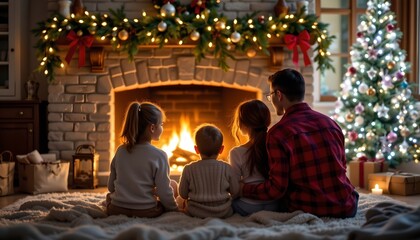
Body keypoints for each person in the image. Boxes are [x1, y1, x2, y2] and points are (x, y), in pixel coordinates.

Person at [242, 68, 359, 218]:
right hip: (346, 206)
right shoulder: (332, 124)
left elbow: (276, 189)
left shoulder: (277, 134)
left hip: (309, 208)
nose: (270, 99)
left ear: (279, 95)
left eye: (270, 95)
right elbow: (341, 169)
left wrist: (242, 189)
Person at [106, 101, 178, 218]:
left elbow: (110, 187)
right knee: (173, 185)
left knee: (109, 197)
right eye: (162, 124)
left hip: (116, 210)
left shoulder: (120, 151)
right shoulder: (160, 155)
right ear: (153, 128)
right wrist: (175, 210)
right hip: (146, 211)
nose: (162, 127)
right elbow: (164, 192)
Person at [228, 99, 281, 216]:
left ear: (243, 124)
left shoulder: (236, 152)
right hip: (275, 205)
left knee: (229, 203)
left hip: (248, 206)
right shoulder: (275, 146)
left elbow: (234, 188)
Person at [177, 123, 240, 218]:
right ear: (221, 149)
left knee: (179, 200)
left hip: (195, 212)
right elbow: (235, 191)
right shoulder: (227, 168)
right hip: (223, 212)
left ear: (196, 149)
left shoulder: (188, 169)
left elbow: (183, 194)